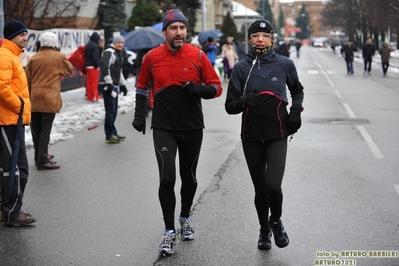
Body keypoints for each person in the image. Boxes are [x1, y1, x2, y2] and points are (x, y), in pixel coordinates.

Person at [132, 9, 222, 255]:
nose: (179, 32)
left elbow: (216, 88)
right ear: (165, 32)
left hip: (192, 126)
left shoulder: (198, 56)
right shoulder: (151, 57)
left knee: (189, 177)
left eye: (182, 28)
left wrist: (197, 89)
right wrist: (140, 115)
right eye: (174, 28)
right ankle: (169, 231)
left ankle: (185, 217)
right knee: (167, 178)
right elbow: (141, 86)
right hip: (163, 127)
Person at [225, 19, 304, 250]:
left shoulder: (285, 64)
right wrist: (243, 101)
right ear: (249, 39)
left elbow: (297, 90)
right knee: (260, 190)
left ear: (272, 38)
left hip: (278, 133)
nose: (261, 39)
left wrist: (295, 112)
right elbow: (230, 106)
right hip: (251, 136)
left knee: (273, 186)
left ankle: (276, 221)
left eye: (265, 35)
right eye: (256, 35)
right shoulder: (241, 68)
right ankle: (263, 229)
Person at [0, 19, 36, 226]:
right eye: (22, 34)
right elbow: (2, 88)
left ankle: (7, 208)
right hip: (8, 120)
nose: (25, 38)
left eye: (26, 34)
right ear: (11, 36)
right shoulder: (5, 56)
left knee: (10, 167)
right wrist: (20, 107)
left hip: (12, 119)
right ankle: (13, 212)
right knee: (17, 168)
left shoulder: (12, 56)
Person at [25, 32, 74, 170]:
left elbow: (27, 80)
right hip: (49, 98)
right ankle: (42, 160)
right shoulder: (58, 57)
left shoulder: (34, 58)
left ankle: (39, 155)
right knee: (46, 130)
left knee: (37, 130)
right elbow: (69, 70)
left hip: (35, 97)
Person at [98, 36, 127, 144]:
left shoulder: (118, 53)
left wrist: (123, 85)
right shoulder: (109, 52)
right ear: (114, 43)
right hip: (107, 85)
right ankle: (109, 135)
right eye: (118, 42)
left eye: (122, 42)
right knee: (110, 111)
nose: (120, 44)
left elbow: (117, 71)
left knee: (113, 111)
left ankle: (113, 132)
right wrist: (109, 84)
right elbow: (105, 69)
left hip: (114, 84)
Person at [84, 32, 101, 102]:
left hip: (87, 66)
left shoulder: (87, 45)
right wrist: (97, 66)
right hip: (93, 67)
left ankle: (90, 96)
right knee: (94, 82)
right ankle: (94, 97)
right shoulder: (95, 46)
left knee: (89, 82)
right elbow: (95, 57)